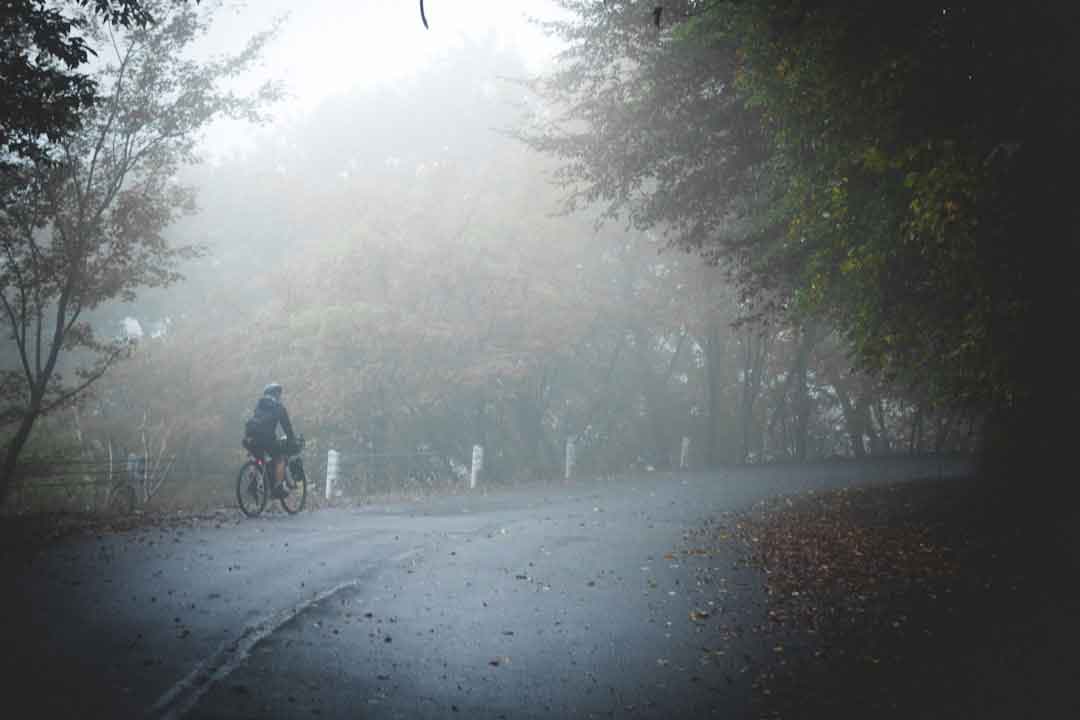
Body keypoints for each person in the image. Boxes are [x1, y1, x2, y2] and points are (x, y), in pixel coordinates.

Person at [244, 382, 297, 496]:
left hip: (250, 438)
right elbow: (287, 426)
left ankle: (253, 482)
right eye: (279, 394)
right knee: (280, 458)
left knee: (257, 458)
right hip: (266, 439)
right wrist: (291, 439)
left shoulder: (259, 405)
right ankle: (277, 487)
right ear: (276, 395)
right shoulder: (279, 407)